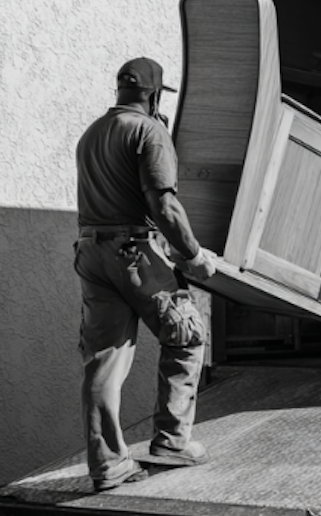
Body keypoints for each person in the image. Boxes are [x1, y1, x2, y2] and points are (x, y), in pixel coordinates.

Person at [74, 56, 216, 492]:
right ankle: (173, 440)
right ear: (154, 95)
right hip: (133, 251)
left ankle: (109, 465)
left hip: (90, 251)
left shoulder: (91, 134)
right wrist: (191, 255)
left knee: (104, 361)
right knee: (187, 333)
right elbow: (163, 205)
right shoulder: (149, 131)